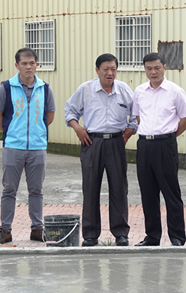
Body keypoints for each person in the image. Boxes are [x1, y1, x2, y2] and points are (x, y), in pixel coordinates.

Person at [64, 53, 137, 247]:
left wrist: (130, 131)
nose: (110, 73)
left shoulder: (124, 90)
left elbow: (136, 114)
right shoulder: (86, 89)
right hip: (92, 142)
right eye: (105, 69)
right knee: (90, 188)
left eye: (113, 69)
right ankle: (90, 234)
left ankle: (121, 233)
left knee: (119, 189)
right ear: (97, 70)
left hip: (116, 142)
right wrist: (77, 128)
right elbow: (69, 110)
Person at [0, 48, 56, 244]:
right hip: (13, 147)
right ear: (16, 65)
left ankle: (37, 229)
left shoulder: (44, 88)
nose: (29, 66)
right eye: (24, 63)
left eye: (32, 63)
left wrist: (37, 133)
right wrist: (12, 132)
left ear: (37, 64)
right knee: (9, 190)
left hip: (37, 148)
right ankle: (5, 230)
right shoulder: (6, 88)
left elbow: (49, 116)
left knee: (36, 190)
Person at [132, 53, 186, 246]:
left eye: (157, 67)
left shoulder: (175, 91)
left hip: (165, 145)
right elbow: (137, 117)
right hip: (144, 146)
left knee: (171, 193)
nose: (153, 72)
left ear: (164, 67)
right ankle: (152, 236)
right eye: (149, 68)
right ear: (145, 70)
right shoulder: (139, 91)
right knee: (148, 193)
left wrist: (170, 135)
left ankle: (177, 237)